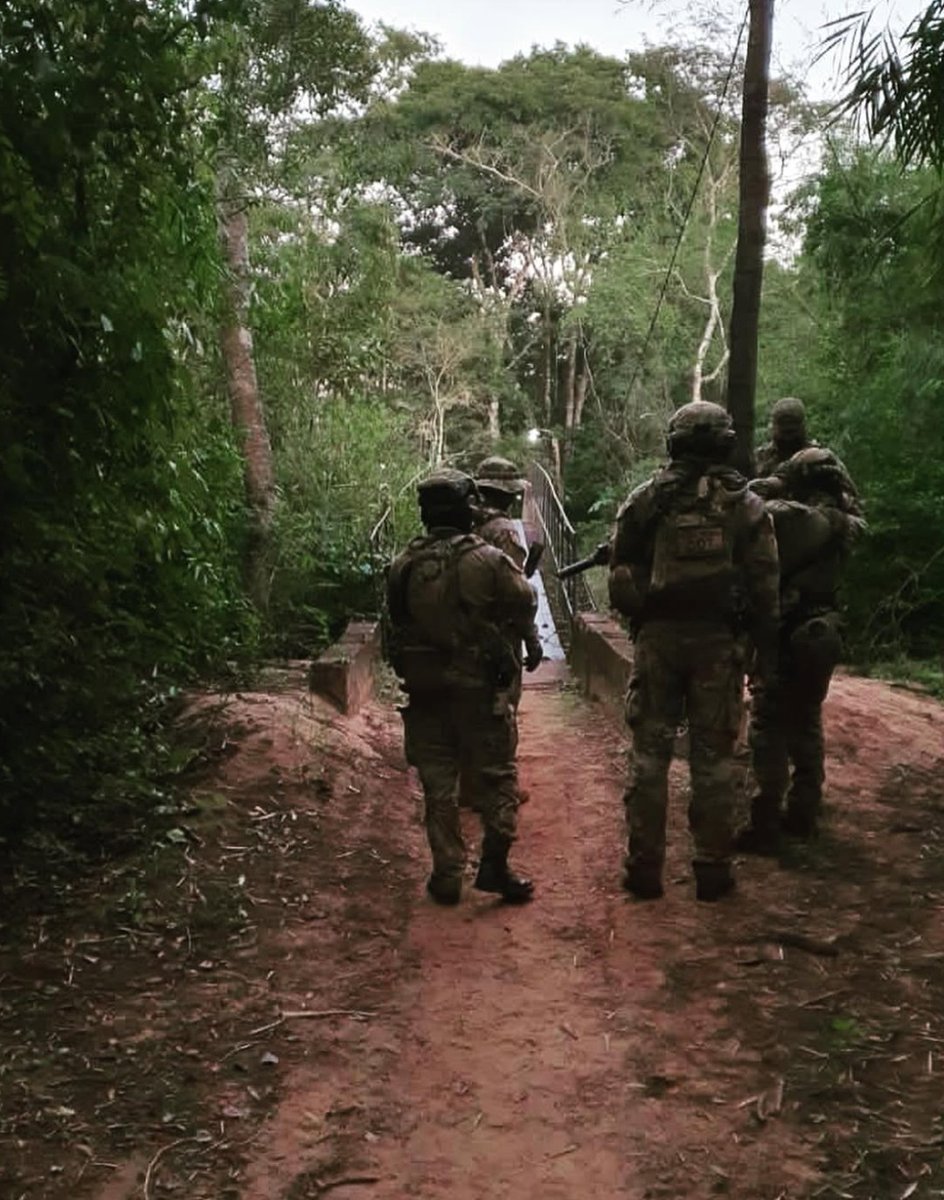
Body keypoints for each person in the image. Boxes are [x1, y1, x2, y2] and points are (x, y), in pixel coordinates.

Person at [608, 401, 780, 901]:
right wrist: (763, 649)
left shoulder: (646, 500)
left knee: (649, 755)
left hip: (658, 640)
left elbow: (621, 570)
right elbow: (765, 584)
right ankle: (712, 868)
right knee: (714, 758)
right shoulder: (746, 504)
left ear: (674, 443)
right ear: (725, 444)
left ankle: (645, 867)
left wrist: (643, 615)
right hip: (719, 643)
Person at [386, 469, 539, 906]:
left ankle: (447, 872)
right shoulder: (487, 559)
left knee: (438, 785)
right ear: (467, 510)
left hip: (425, 689)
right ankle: (494, 865)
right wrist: (524, 640)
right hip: (477, 689)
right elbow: (524, 600)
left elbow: (397, 623)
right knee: (498, 776)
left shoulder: (402, 565)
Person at [737, 447, 865, 853]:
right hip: (823, 630)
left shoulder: (798, 519)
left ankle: (765, 822)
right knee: (807, 721)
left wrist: (775, 481)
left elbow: (751, 502)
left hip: (788, 631)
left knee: (768, 725)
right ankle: (804, 813)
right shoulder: (847, 522)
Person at [754, 396, 861, 515]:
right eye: (784, 432)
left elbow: (855, 512)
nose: (788, 438)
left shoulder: (823, 459)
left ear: (803, 427)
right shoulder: (759, 458)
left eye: (792, 431)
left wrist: (834, 514)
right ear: (773, 427)